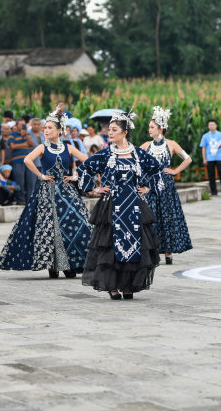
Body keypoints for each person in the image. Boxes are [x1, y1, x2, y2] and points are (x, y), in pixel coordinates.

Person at [0, 105, 92, 278]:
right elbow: (27, 160)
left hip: (66, 191)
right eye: (45, 127)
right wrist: (41, 175)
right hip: (47, 192)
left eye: (49, 128)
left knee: (76, 224)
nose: (46, 130)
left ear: (59, 130)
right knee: (50, 228)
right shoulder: (42, 147)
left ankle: (70, 263)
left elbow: (88, 161)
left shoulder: (68, 148)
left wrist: (76, 176)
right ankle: (54, 265)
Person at [77, 109, 164, 300]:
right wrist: (95, 189)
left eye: (114, 129)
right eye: (109, 129)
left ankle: (128, 285)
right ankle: (113, 286)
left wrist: (148, 188)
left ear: (125, 132)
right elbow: (83, 169)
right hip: (111, 207)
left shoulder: (139, 154)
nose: (110, 132)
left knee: (136, 244)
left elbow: (158, 169)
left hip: (134, 206)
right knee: (109, 246)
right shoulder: (105, 154)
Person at [140, 106, 193, 265]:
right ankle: (153, 252)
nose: (149, 130)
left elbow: (188, 159)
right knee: (152, 218)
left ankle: (168, 252)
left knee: (167, 217)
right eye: (149, 127)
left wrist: (175, 171)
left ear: (160, 129)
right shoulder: (145, 145)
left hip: (167, 186)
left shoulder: (171, 144)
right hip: (150, 186)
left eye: (152, 127)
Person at [8, 118, 36, 204]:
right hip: (17, 161)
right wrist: (24, 144)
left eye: (23, 124)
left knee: (30, 182)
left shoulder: (28, 135)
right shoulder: (12, 135)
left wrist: (26, 135)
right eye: (20, 124)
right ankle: (20, 201)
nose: (22, 126)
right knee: (20, 182)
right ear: (16, 126)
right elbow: (12, 147)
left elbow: (31, 144)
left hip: (28, 162)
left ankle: (29, 201)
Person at [200, 120, 221, 196]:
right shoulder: (205, 136)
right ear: (208, 126)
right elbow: (203, 148)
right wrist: (204, 159)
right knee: (211, 176)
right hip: (209, 158)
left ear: (216, 125)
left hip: (220, 158)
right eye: (210, 125)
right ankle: (213, 192)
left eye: (213, 125)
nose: (211, 126)